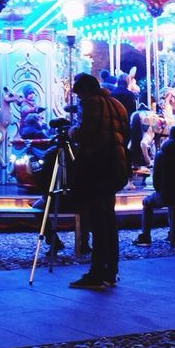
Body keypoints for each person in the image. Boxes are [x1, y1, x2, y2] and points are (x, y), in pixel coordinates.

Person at [67, 73, 128, 290]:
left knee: (97, 222)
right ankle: (111, 269)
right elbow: (125, 135)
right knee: (109, 220)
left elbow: (86, 134)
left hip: (97, 167)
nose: (80, 100)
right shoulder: (117, 104)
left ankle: (96, 272)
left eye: (80, 95)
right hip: (116, 167)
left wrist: (73, 131)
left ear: (85, 91)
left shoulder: (92, 104)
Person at [133, 125, 175, 247]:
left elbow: (156, 182)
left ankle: (146, 236)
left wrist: (161, 189)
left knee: (147, 202)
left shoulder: (161, 155)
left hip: (167, 195)